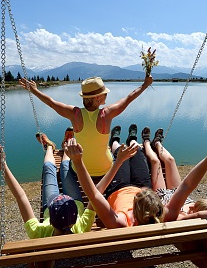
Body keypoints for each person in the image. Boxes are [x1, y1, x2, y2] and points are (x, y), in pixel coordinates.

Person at [64, 129, 207, 229]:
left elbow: (95, 195)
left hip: (117, 187)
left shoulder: (121, 222)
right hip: (140, 183)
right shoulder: (163, 216)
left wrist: (80, 162)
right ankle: (129, 142)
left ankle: (117, 145)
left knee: (122, 154)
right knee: (136, 151)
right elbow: (186, 189)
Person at [19, 75, 153, 200]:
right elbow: (129, 98)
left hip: (80, 170)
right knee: (112, 153)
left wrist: (34, 90)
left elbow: (51, 103)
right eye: (104, 93)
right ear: (97, 98)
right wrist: (145, 85)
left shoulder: (75, 114)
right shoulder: (106, 114)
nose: (107, 94)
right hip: (105, 169)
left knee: (69, 160)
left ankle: (62, 144)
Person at [0, 132, 138, 238]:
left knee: (50, 170)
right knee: (63, 170)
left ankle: (50, 147)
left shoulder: (41, 232)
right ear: (75, 215)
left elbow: (21, 195)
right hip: (74, 201)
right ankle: (65, 150)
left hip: (70, 203)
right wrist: (118, 162)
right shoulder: (80, 227)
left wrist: (1, 163)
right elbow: (97, 192)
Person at [141, 126, 207, 221]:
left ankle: (146, 142)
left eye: (193, 208)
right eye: (195, 204)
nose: (191, 205)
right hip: (178, 192)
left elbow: (188, 186)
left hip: (163, 194)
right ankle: (157, 143)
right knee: (170, 160)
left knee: (156, 162)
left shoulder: (179, 217)